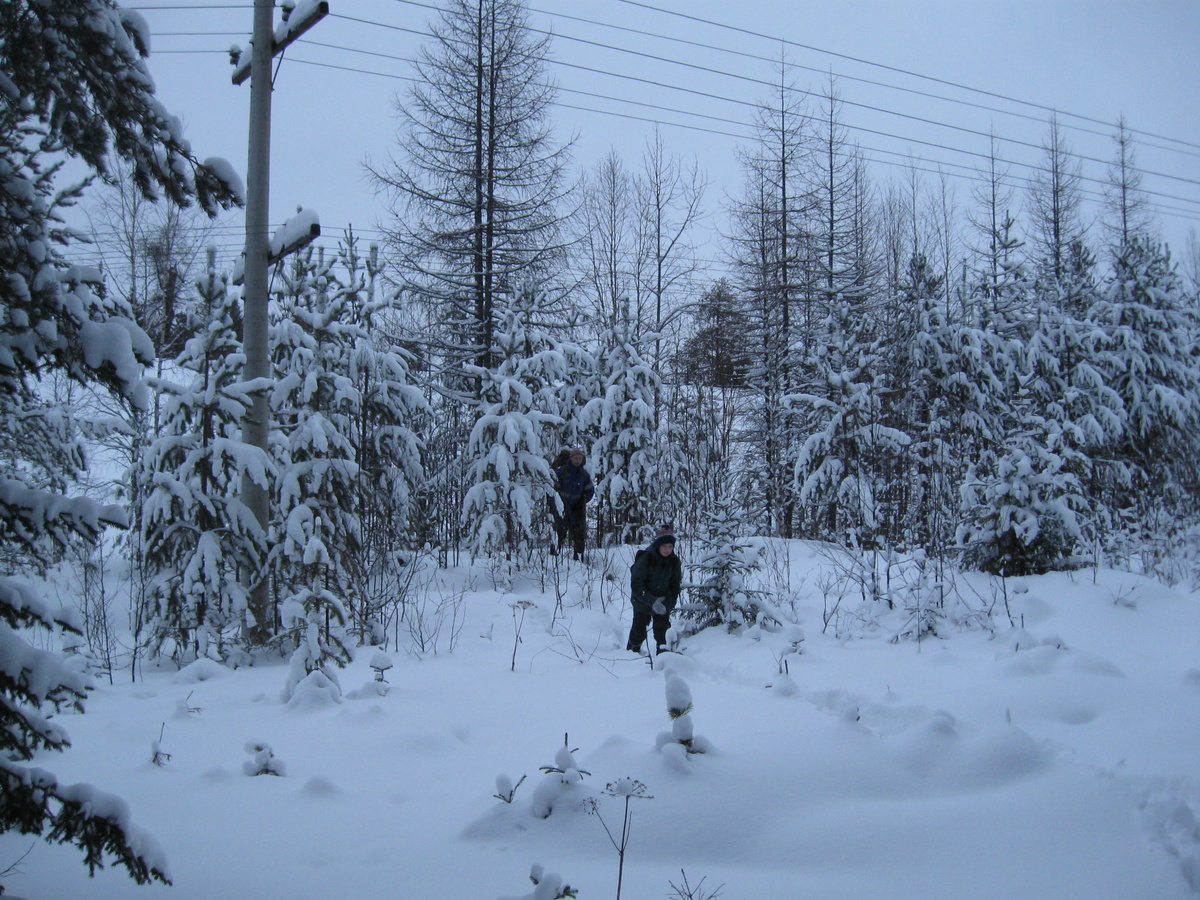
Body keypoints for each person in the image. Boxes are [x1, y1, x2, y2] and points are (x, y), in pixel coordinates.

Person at [627, 531, 682, 654]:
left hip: (663, 603)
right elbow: (637, 586)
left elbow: (675, 587)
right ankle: (631, 654)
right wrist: (652, 601)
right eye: (664, 546)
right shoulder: (646, 558)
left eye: (670, 547)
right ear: (658, 545)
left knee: (662, 633)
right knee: (638, 631)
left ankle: (663, 658)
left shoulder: (674, 562)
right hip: (642, 601)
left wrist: (667, 604)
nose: (667, 550)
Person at [553, 447, 594, 560]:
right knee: (559, 530)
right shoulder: (562, 471)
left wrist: (583, 500)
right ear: (571, 458)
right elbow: (553, 486)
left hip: (577, 508)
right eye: (576, 458)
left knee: (578, 532)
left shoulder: (584, 475)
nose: (578, 460)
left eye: (580, 458)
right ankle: (556, 553)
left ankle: (578, 555)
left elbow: (590, 490)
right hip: (562, 506)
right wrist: (557, 500)